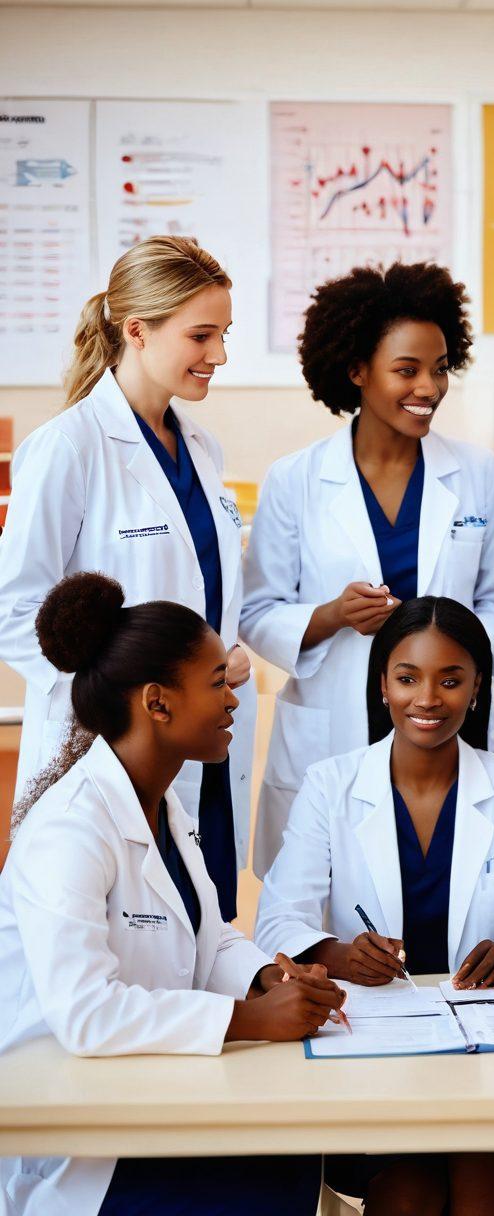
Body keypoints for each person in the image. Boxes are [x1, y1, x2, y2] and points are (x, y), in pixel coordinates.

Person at [0, 573, 345, 1216]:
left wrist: (269, 976)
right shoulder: (70, 828)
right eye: (217, 682)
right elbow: (87, 1015)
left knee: (293, 1158)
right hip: (78, 1136)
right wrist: (254, 1020)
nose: (234, 700)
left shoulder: (163, 805)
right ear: (157, 703)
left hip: (150, 1097)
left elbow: (208, 938)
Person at [256, 596, 494, 1216]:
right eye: (407, 678)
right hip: (378, 1047)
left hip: (489, 1049)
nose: (427, 699)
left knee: (484, 1188)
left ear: (477, 687)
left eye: (451, 679)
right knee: (405, 1193)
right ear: (382, 684)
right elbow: (276, 920)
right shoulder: (331, 784)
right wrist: (342, 955)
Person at [0, 236, 255, 920]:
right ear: (136, 330)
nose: (220, 355)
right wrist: (121, 691)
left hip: (198, 734)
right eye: (202, 335)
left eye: (224, 334)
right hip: (108, 744)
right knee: (113, 940)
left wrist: (221, 653)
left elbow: (207, 590)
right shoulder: (68, 448)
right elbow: (15, 609)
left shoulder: (201, 447)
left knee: (197, 929)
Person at [240, 262, 494, 876]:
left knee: (451, 886)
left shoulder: (473, 473)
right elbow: (257, 612)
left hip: (444, 714)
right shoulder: (297, 479)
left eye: (441, 367)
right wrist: (330, 616)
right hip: (338, 717)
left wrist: (458, 659)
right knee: (332, 901)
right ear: (356, 371)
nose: (430, 386)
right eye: (407, 370)